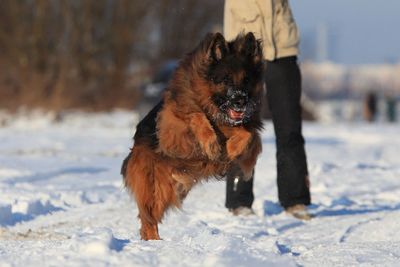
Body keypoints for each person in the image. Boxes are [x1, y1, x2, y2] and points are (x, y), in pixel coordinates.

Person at [224, 0, 311, 220]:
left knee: (289, 127)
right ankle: (239, 200)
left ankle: (295, 199)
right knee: (241, 128)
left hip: (282, 47)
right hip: (242, 49)